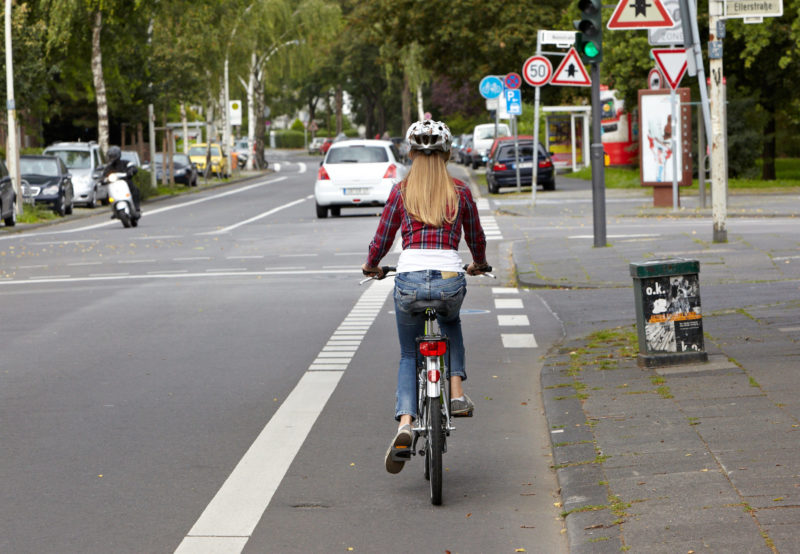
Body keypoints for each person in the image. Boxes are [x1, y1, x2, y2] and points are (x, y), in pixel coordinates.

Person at [362, 119, 490, 474]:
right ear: (448, 154)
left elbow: (383, 238)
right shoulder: (460, 192)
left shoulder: (402, 191)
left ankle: (405, 423)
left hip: (409, 280)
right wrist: (478, 263)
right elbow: (476, 238)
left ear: (412, 153)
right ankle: (458, 392)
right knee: (451, 321)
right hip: (450, 279)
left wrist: (371, 264)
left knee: (408, 354)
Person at [103, 145, 140, 214]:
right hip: (114, 185)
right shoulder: (108, 167)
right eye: (110, 156)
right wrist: (102, 180)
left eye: (113, 156)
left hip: (125, 182)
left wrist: (131, 171)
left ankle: (136, 207)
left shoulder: (125, 163)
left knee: (135, 189)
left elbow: (132, 167)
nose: (111, 158)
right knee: (108, 195)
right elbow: (104, 175)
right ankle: (114, 209)